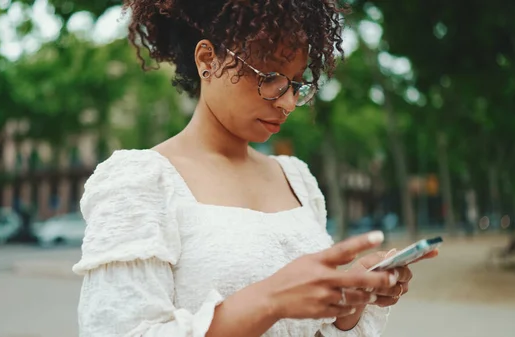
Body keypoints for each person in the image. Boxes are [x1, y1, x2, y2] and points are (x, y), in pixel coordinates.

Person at [72, 1, 438, 336]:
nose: (289, 102)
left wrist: (346, 303)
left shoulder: (297, 179)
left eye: (297, 84)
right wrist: (271, 298)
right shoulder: (140, 182)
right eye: (270, 77)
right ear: (207, 60)